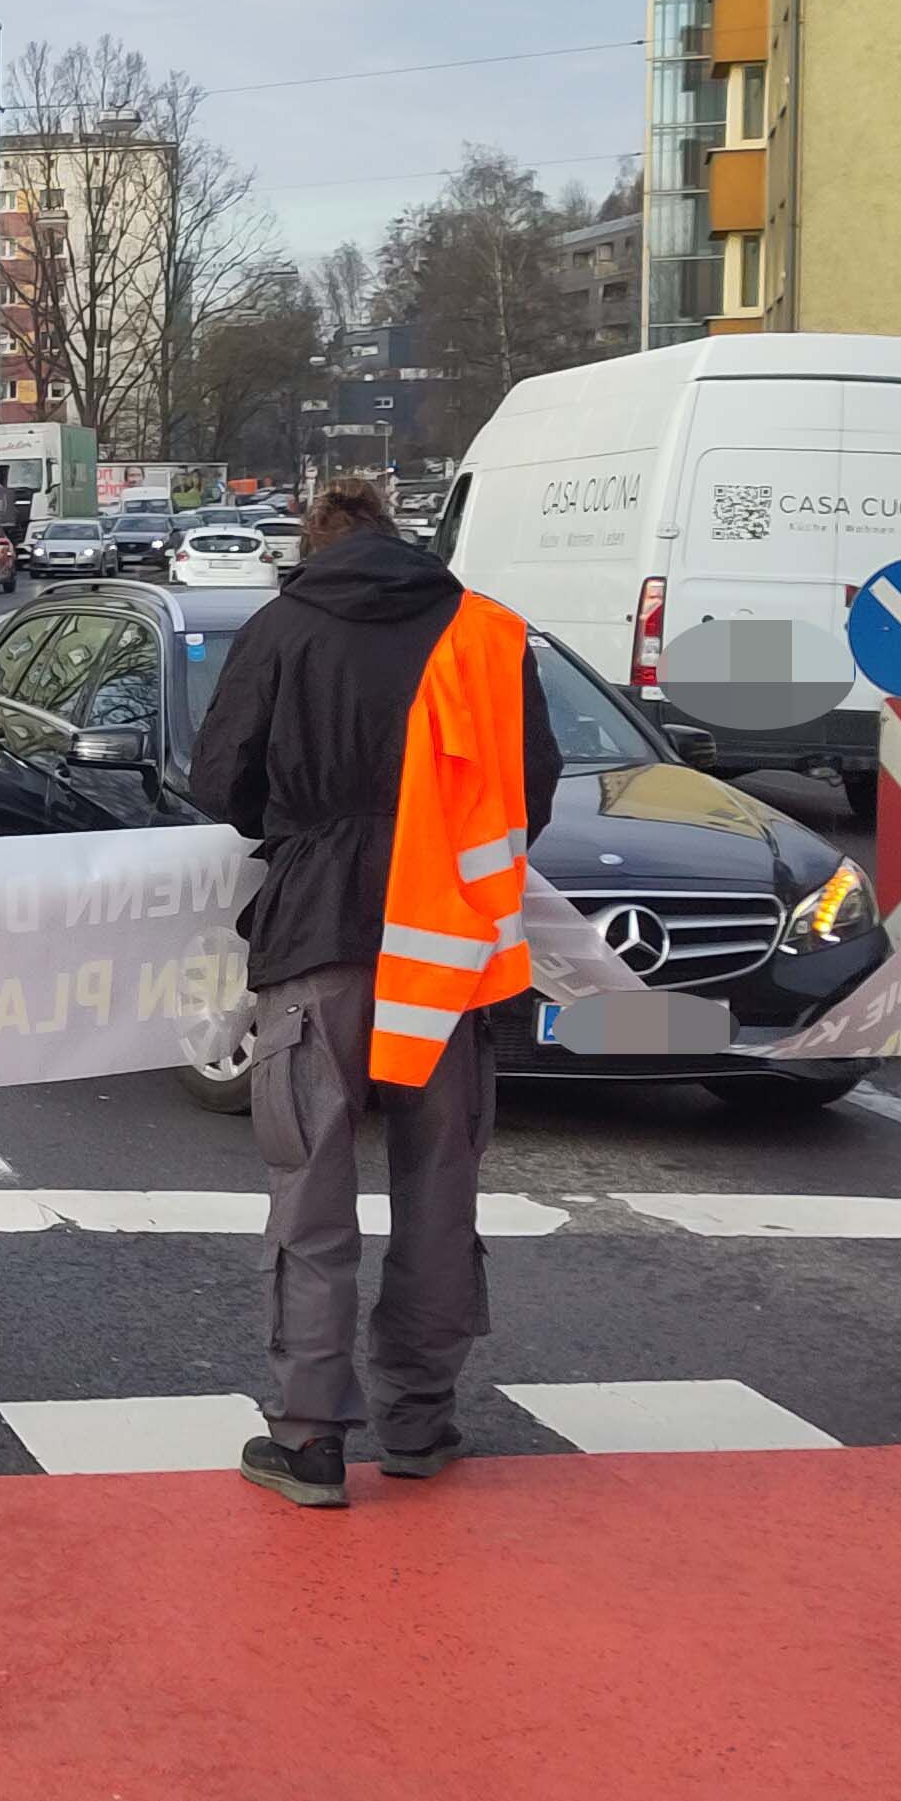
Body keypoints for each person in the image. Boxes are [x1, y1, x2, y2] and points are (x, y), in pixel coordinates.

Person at [188, 472, 558, 1509]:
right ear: (400, 536)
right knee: (437, 1182)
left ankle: (308, 1440)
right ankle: (420, 1422)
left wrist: (305, 819)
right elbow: (530, 788)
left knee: (309, 1187)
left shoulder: (280, 627)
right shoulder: (484, 632)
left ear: (315, 538)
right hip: (447, 943)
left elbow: (220, 784)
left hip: (318, 933)